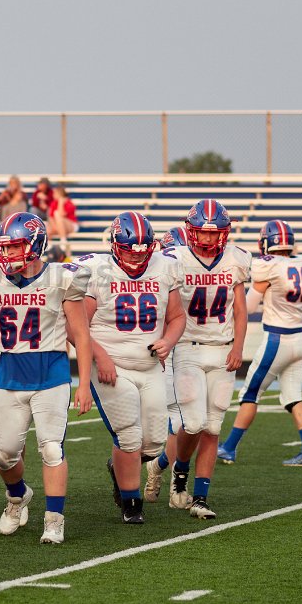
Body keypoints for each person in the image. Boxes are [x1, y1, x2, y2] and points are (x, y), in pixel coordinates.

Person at [0, 212, 93, 544]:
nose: (7, 254)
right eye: (5, 247)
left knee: (51, 449)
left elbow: (81, 334)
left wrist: (83, 383)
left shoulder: (62, 278)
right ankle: (17, 495)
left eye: (15, 247)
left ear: (35, 246)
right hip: (10, 372)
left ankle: (54, 519)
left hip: (51, 372)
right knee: (3, 454)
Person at [84, 213, 186, 525]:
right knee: (128, 435)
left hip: (150, 365)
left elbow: (177, 317)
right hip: (111, 365)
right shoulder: (97, 270)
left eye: (143, 250)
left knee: (153, 443)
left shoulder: (164, 267)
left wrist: (168, 341)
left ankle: (119, 466)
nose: (137, 256)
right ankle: (131, 501)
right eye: (130, 250)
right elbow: (77, 326)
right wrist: (100, 357)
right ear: (115, 245)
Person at [168, 200, 250, 520]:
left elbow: (240, 309)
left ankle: (201, 497)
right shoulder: (176, 259)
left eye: (213, 233)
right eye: (202, 232)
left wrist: (238, 347)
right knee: (193, 423)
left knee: (213, 426)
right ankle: (180, 470)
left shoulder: (235, 259)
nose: (207, 238)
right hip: (187, 347)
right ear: (191, 231)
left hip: (222, 348)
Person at [217, 221, 302, 467]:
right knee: (293, 396)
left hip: (277, 340)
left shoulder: (269, 266)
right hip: (299, 340)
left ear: (266, 242)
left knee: (250, 394)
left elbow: (249, 307)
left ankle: (229, 448)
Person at [144, 226, 188, 503]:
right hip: (166, 353)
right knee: (177, 421)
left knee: (194, 424)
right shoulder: (157, 274)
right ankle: (173, 479)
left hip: (193, 350)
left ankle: (160, 467)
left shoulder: (199, 273)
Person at [48, 185, 78, 250]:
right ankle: (48, 245)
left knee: (58, 216)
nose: (53, 195)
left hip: (71, 225)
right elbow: (51, 218)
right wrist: (55, 227)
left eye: (55, 193)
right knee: (47, 227)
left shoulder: (69, 203)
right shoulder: (53, 203)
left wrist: (60, 202)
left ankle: (63, 240)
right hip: (59, 226)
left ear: (59, 194)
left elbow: (61, 214)